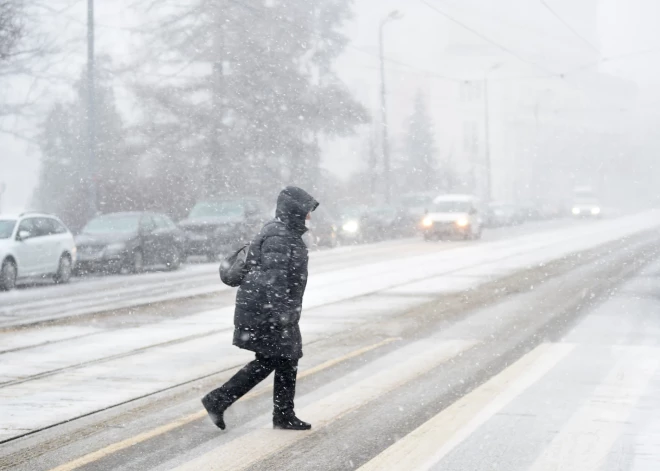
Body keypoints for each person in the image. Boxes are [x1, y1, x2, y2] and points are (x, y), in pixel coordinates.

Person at [202, 186, 319, 431]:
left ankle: (278, 413)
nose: (309, 216)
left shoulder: (283, 232)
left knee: (282, 359)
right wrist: (282, 314)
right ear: (294, 211)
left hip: (268, 308)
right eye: (306, 211)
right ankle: (221, 400)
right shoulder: (279, 236)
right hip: (267, 311)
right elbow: (274, 279)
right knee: (278, 359)